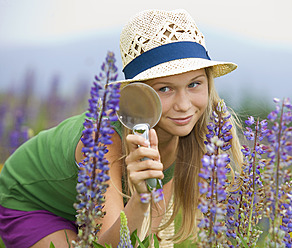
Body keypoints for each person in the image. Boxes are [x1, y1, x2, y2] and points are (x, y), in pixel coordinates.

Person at [0, 9, 243, 247]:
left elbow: (142, 237)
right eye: (165, 89)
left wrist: (144, 205)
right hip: (29, 201)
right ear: (138, 94)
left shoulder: (193, 134)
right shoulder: (103, 140)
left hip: (87, 210)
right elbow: (109, 244)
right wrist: (141, 199)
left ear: (208, 84)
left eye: (194, 84)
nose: (183, 105)